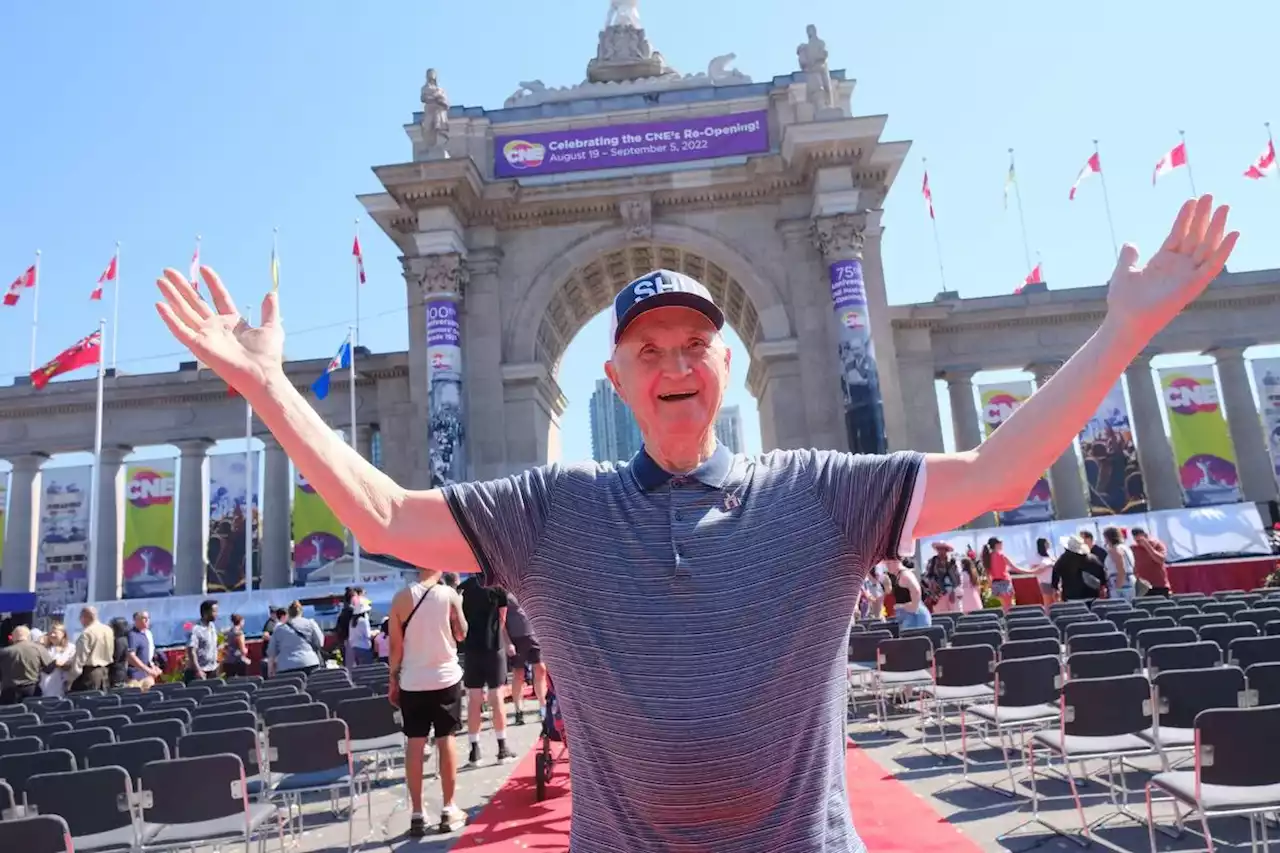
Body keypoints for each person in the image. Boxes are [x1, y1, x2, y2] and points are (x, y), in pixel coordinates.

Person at [153, 198, 1236, 852]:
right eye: (648, 349)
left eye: (694, 345)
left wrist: (1120, 329)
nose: (673, 363)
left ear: (727, 366)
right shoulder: (551, 512)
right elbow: (383, 511)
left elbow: (999, 468)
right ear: (615, 376)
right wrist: (263, 384)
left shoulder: (821, 491)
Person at [388, 565, 469, 836]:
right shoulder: (449, 595)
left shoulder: (400, 598)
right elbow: (462, 634)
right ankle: (449, 807)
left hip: (413, 680)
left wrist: (393, 680)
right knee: (446, 739)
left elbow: (395, 648)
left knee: (415, 742)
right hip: (445, 676)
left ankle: (417, 813)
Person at [457, 574, 514, 765]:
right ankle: (502, 747)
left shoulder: (463, 589)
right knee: (496, 696)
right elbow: (503, 618)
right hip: (494, 647)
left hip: (472, 648)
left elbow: (459, 619)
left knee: (473, 699)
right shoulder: (499, 588)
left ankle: (474, 750)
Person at [504, 591, 547, 726]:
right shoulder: (504, 593)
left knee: (540, 670)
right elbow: (501, 622)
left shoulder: (529, 587)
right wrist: (507, 642)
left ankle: (543, 708)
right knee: (519, 674)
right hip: (516, 638)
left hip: (535, 635)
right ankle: (518, 710)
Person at [268, 600, 325, 677]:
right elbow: (320, 643)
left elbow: (272, 653)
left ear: (289, 613)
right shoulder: (310, 623)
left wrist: (270, 670)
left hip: (286, 667)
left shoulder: (279, 629)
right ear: (301, 612)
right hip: (309, 662)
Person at [0, 625, 53, 704]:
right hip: (32, 690)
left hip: (9, 693)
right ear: (28, 636)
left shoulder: (4, 652)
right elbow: (49, 668)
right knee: (33, 714)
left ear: (13, 637)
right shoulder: (39, 649)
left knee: (10, 715)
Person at [70, 606, 116, 692]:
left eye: (80, 617)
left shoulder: (87, 633)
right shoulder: (108, 630)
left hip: (90, 673)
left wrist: (71, 679)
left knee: (88, 702)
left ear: (85, 617)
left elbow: (80, 659)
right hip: (105, 672)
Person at [1052, 535, 1108, 601]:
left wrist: (1055, 589)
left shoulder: (1063, 560)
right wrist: (1102, 586)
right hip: (1092, 595)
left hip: (1070, 596)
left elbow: (1055, 575)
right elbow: (1101, 573)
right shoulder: (1091, 558)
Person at [980, 537, 1020, 610]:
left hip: (995, 583)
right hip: (1004, 582)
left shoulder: (988, 557)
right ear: (997, 544)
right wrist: (1032, 571)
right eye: (1001, 543)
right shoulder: (1001, 555)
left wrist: (991, 586)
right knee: (1009, 606)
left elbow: (988, 574)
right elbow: (1015, 568)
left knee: (1005, 606)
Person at [186, 599, 220, 683]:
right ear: (205, 612)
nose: (216, 614)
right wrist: (198, 670)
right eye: (214, 611)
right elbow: (191, 650)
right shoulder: (196, 630)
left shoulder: (212, 626)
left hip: (212, 669)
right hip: (199, 671)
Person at [126, 611, 163, 690]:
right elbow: (131, 656)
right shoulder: (132, 635)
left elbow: (149, 655)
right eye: (144, 618)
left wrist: (154, 667)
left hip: (147, 677)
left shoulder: (148, 634)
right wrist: (148, 670)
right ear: (136, 620)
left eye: (148, 618)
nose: (147, 620)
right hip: (135, 677)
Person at [40, 622, 76, 698]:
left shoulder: (71, 648)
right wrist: (55, 663)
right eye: (50, 633)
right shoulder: (44, 649)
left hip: (64, 683)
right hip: (47, 683)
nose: (52, 635)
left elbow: (73, 664)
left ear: (63, 634)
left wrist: (61, 664)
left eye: (55, 633)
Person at [1132, 528, 1172, 596]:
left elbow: (1160, 560)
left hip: (1159, 585)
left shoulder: (1157, 544)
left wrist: (1147, 546)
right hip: (1142, 586)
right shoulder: (1133, 548)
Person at [1102, 526, 1137, 601]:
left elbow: (1121, 569)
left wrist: (1117, 588)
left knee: (1120, 608)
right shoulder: (1126, 548)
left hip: (1120, 582)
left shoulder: (1115, 549)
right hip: (1129, 580)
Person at [347, 597, 375, 666]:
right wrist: (375, 632)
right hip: (364, 648)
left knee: (359, 669)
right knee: (367, 668)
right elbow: (368, 635)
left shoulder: (352, 621)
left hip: (354, 649)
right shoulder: (363, 621)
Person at [222, 613, 250, 678]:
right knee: (242, 681)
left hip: (228, 660)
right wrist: (246, 650)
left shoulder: (227, 632)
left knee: (229, 681)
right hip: (238, 661)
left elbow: (224, 645)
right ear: (241, 621)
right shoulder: (239, 633)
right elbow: (242, 650)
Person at [108, 617, 131, 688]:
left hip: (116, 674)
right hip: (121, 673)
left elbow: (114, 658)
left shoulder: (118, 641)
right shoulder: (125, 640)